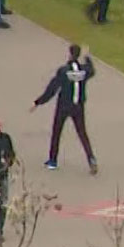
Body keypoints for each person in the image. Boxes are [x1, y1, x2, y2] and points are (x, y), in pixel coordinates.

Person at [33, 43, 98, 173]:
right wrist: (88, 57)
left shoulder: (63, 70)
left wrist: (38, 102)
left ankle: (53, 160)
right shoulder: (84, 70)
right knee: (82, 132)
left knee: (57, 131)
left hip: (63, 105)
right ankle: (91, 158)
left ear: (69, 53)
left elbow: (52, 88)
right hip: (78, 106)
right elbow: (92, 70)